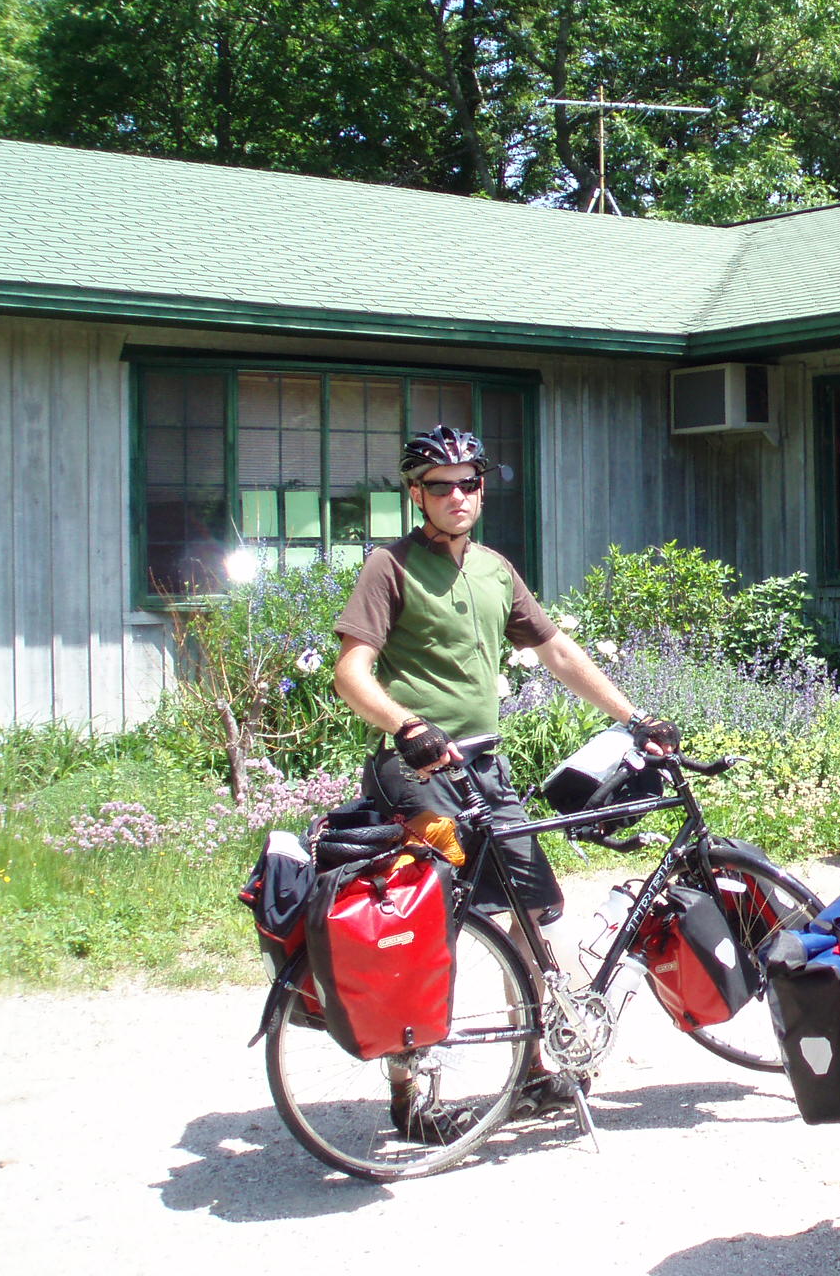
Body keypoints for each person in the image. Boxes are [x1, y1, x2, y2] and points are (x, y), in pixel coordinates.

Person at [332, 424, 673, 1141]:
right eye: (440, 484)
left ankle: (534, 1069)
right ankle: (409, 1090)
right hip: (417, 768)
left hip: (485, 766)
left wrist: (635, 717)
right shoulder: (388, 568)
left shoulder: (492, 569)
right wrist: (404, 724)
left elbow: (558, 652)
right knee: (426, 921)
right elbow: (351, 673)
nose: (458, 495)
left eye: (470, 481)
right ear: (415, 493)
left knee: (530, 912)